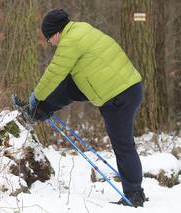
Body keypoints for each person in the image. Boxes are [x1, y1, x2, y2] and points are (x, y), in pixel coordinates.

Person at [28, 9, 146, 207]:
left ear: (55, 33)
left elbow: (53, 73)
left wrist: (36, 97)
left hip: (117, 96)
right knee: (70, 85)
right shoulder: (82, 29)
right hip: (126, 86)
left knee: (123, 145)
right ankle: (42, 109)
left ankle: (134, 194)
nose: (50, 44)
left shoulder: (69, 42)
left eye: (49, 39)